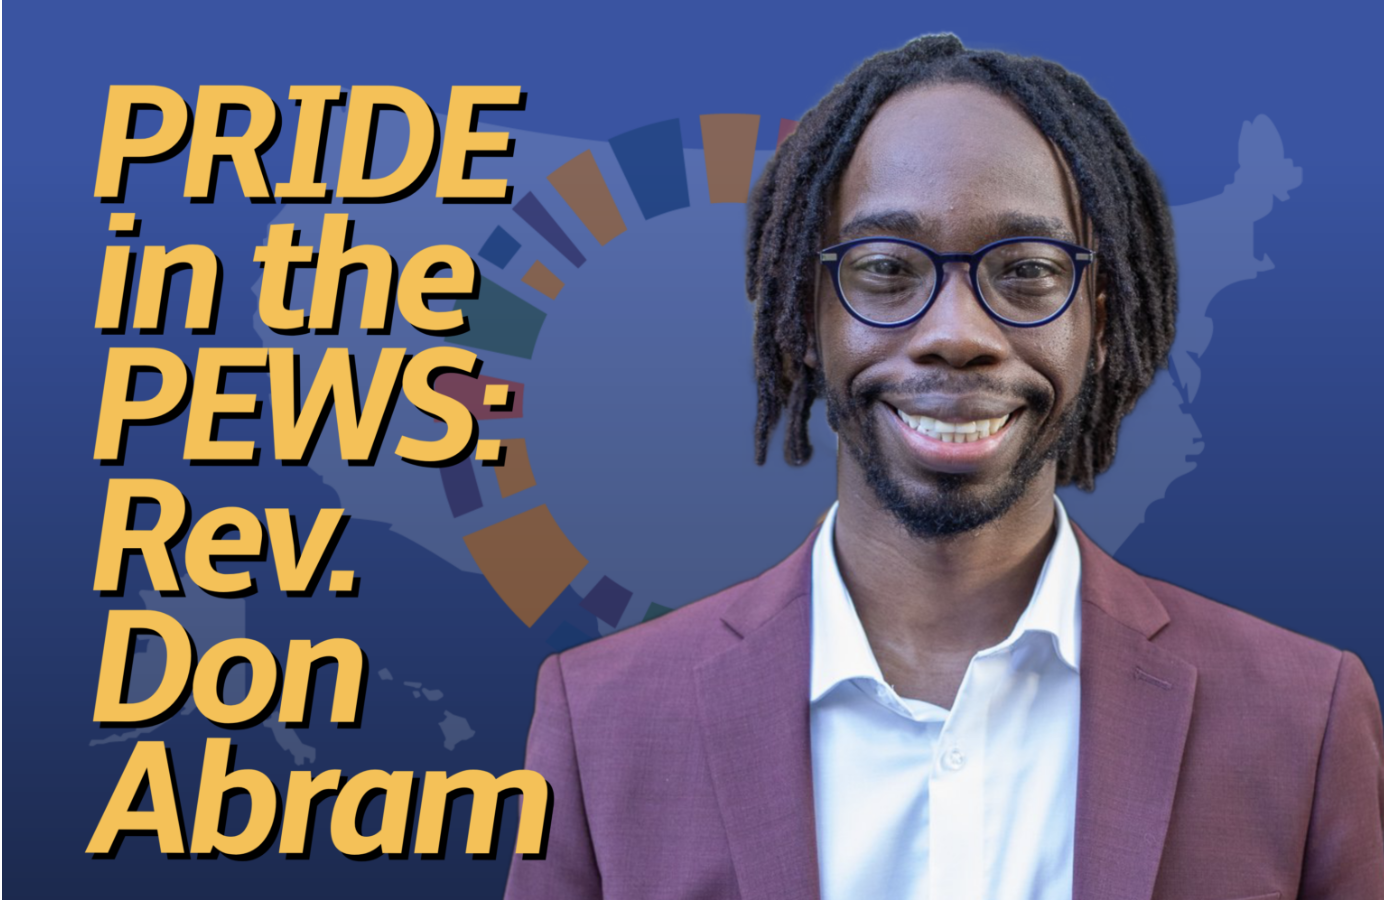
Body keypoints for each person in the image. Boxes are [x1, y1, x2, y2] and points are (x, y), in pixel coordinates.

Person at [505, 34, 1384, 899]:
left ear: (1100, 323)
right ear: (806, 317)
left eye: (1027, 270)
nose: (957, 334)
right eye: (887, 268)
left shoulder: (1303, 716)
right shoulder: (602, 720)